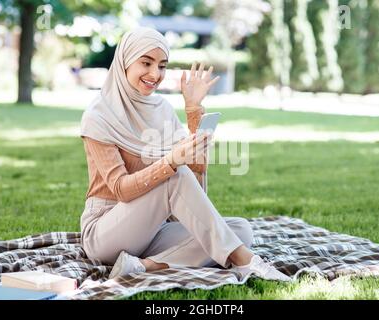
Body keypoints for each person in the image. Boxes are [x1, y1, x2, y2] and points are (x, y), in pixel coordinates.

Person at [79, 27, 291, 282]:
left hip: (153, 229)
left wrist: (193, 109)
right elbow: (121, 189)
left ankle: (143, 266)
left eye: (162, 65)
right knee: (175, 176)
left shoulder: (161, 109)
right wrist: (170, 162)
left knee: (239, 231)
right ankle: (247, 262)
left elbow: (196, 180)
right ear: (125, 62)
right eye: (146, 63)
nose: (155, 74)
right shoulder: (98, 116)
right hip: (106, 231)